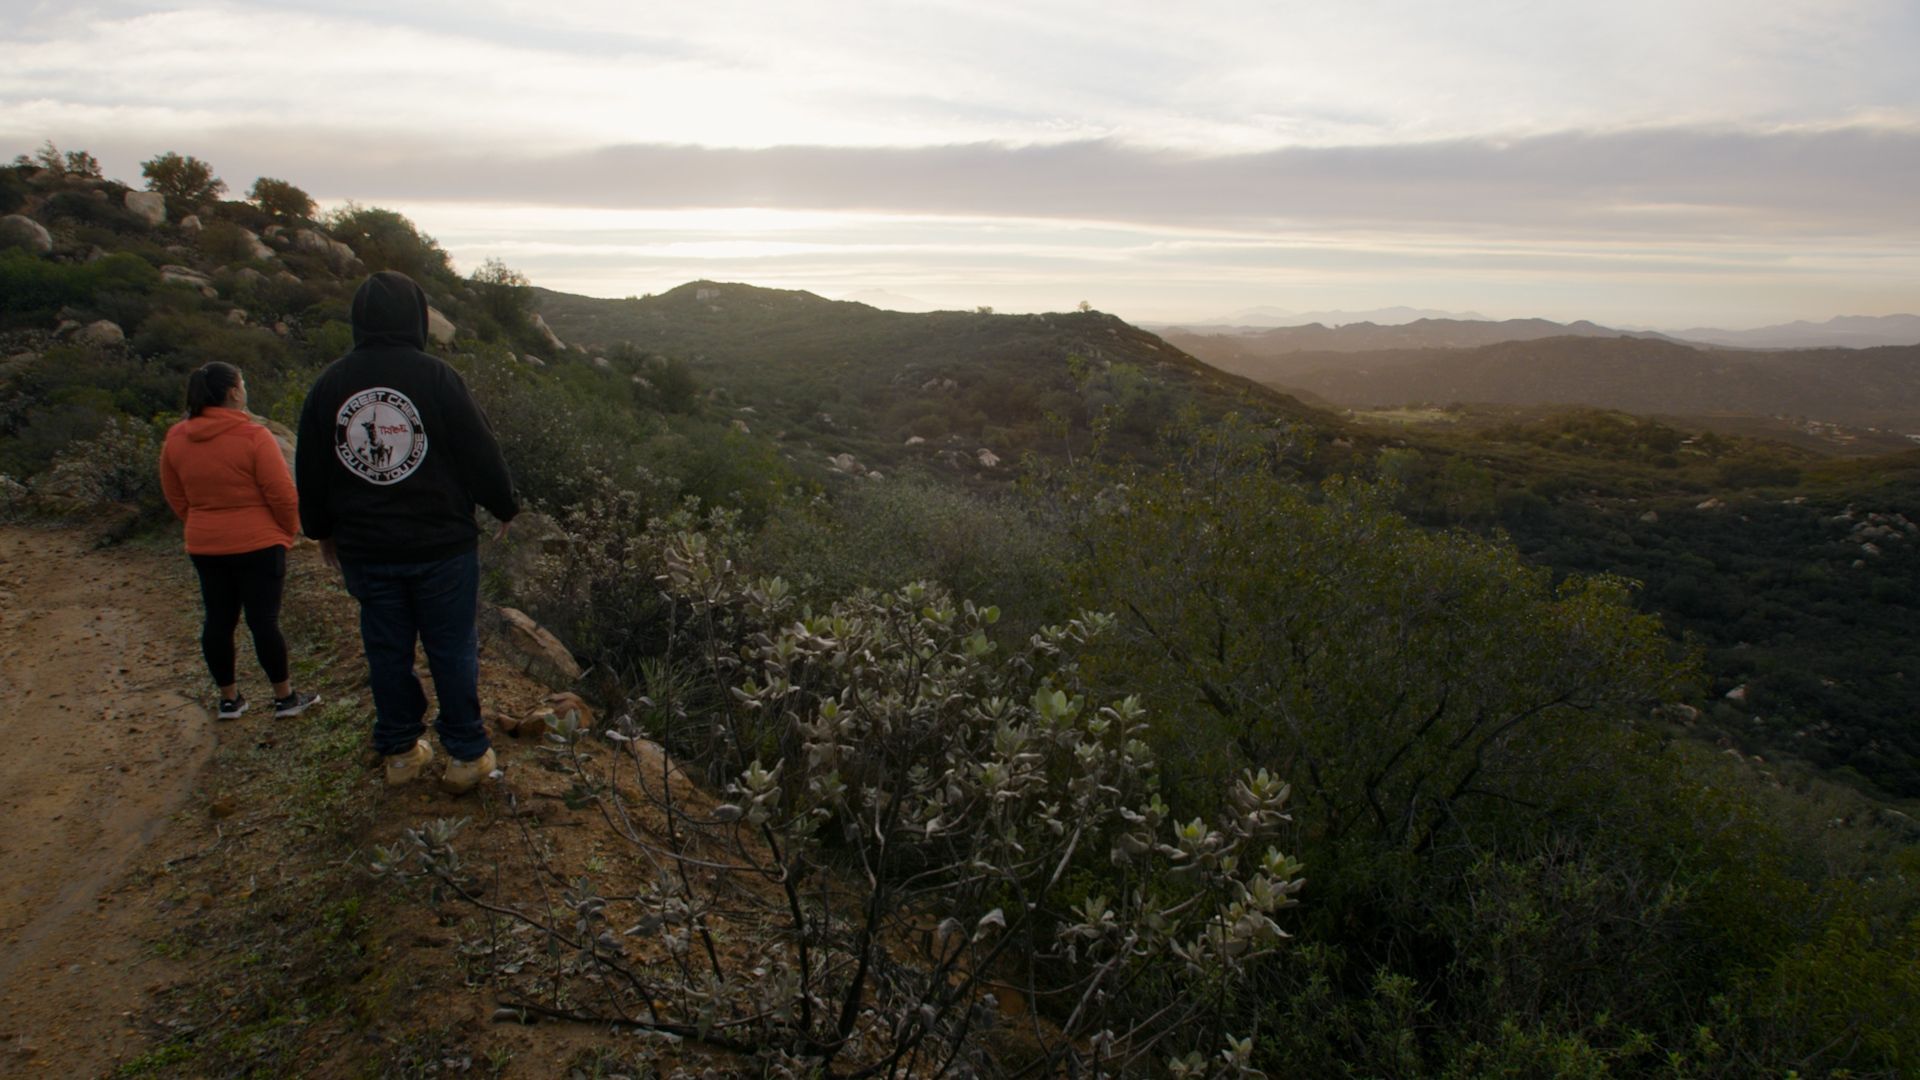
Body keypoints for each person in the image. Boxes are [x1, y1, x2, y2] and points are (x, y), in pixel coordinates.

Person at [296, 270, 519, 794]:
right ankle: (465, 756)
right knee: (451, 648)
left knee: (386, 649)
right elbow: (476, 447)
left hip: (366, 547)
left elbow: (312, 465)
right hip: (441, 544)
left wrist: (320, 529)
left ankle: (399, 752)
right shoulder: (436, 377)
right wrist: (503, 503)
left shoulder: (330, 384)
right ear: (417, 318)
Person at [159, 362, 321, 720]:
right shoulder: (253, 436)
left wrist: (202, 521)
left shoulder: (176, 437)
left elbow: (175, 494)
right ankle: (284, 697)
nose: (245, 388)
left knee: (218, 619)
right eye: (242, 383)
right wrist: (287, 530)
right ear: (234, 392)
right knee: (263, 621)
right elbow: (280, 493)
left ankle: (229, 700)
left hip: (205, 544)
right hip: (258, 543)